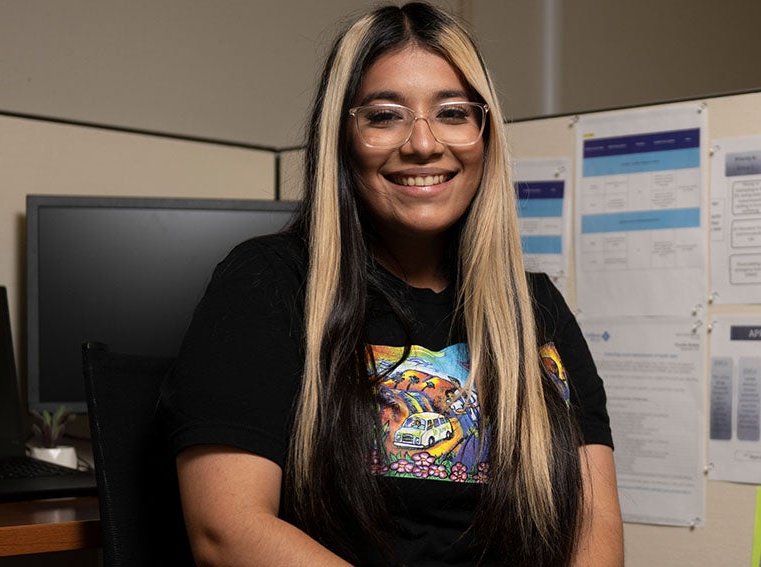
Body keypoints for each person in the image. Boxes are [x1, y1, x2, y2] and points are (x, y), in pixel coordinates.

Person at [160, 3, 623, 565]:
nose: (423, 144)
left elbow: (593, 520)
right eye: (384, 116)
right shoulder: (270, 285)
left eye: (453, 112)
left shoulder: (533, 307)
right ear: (343, 137)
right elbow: (227, 529)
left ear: (484, 133)